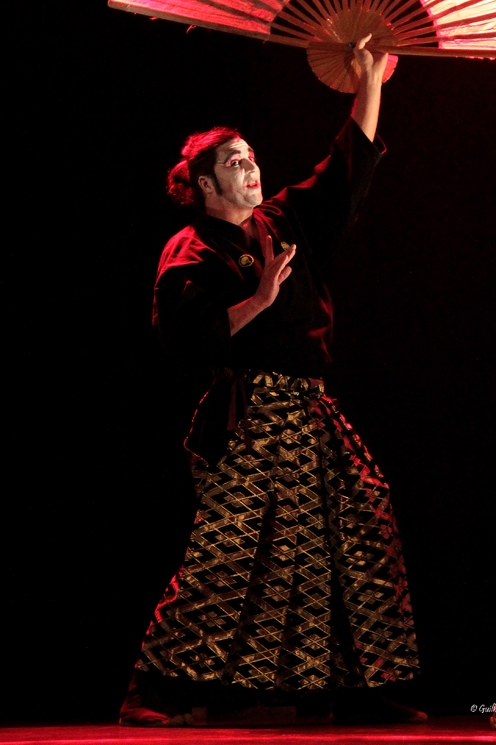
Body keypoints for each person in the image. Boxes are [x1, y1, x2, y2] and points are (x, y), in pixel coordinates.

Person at [119, 36, 422, 727]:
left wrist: (369, 81)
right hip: (248, 410)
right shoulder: (190, 248)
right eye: (234, 163)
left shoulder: (280, 220)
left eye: (252, 158)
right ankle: (155, 687)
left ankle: (358, 686)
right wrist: (256, 299)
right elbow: (184, 339)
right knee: (230, 551)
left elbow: (344, 172)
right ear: (203, 184)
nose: (251, 169)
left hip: (309, 407)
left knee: (355, 532)